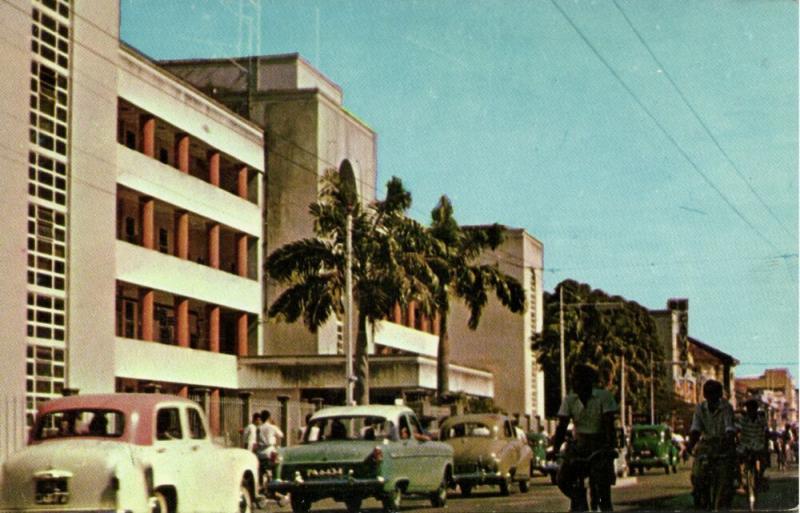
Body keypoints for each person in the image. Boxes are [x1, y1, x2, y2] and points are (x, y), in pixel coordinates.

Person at [552, 364, 618, 512]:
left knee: (603, 490)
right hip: (579, 446)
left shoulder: (604, 397)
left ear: (590, 382)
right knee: (562, 479)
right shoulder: (569, 400)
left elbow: (609, 425)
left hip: (600, 446)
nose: (576, 384)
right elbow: (562, 426)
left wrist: (609, 446)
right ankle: (579, 499)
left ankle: (604, 506)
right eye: (574, 380)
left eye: (580, 380)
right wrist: (555, 448)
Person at [685, 379, 736, 510]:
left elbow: (729, 428)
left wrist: (726, 443)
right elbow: (696, 429)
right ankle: (699, 494)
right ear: (705, 395)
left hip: (723, 443)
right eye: (708, 394)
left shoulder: (726, 407)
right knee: (697, 475)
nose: (711, 397)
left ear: (719, 395)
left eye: (714, 394)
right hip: (706, 444)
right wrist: (689, 446)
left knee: (725, 480)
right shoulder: (700, 408)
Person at [737, 398, 768, 490]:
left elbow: (766, 432)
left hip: (758, 445)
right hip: (744, 445)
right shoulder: (742, 420)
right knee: (737, 461)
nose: (751, 410)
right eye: (749, 408)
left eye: (753, 408)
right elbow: (737, 429)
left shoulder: (761, 420)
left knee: (763, 461)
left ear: (756, 409)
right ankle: (741, 482)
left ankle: (760, 476)